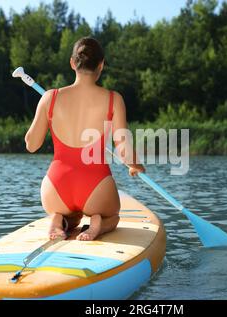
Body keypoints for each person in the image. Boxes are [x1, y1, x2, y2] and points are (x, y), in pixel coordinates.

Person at [24, 37, 145, 241]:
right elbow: (123, 150)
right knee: (113, 216)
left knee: (72, 216)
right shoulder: (114, 99)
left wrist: (46, 109)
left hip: (56, 187)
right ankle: (99, 223)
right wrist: (136, 165)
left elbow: (32, 145)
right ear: (101, 65)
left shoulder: (50, 98)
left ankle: (58, 219)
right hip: (95, 186)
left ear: (72, 63)